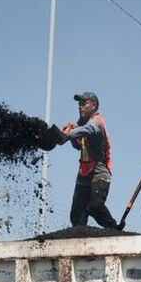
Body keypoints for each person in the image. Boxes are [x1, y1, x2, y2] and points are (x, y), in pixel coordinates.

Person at [60, 91, 119, 229]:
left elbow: (89, 129)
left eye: (84, 103)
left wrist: (67, 135)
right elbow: (78, 146)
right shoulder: (82, 125)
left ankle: (114, 228)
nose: (80, 106)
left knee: (95, 206)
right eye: (79, 104)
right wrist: (72, 134)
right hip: (83, 175)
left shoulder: (97, 121)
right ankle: (79, 238)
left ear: (94, 105)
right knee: (76, 216)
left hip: (99, 173)